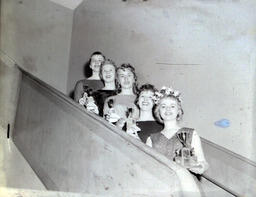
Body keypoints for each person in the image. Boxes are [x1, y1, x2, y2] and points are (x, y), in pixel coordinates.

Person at [146, 87, 209, 175]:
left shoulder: (191, 133)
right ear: (158, 111)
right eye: (163, 106)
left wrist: (200, 167)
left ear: (178, 110)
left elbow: (203, 162)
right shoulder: (151, 139)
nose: (168, 109)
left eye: (172, 106)